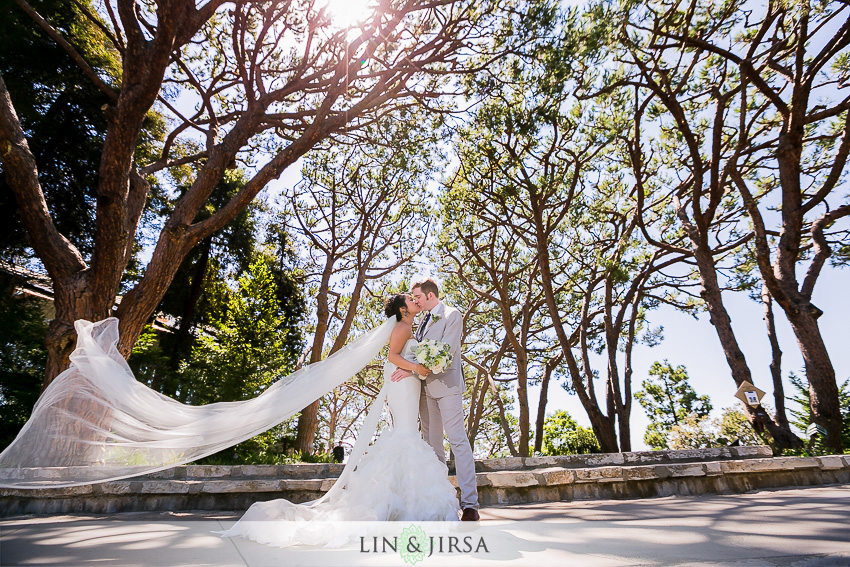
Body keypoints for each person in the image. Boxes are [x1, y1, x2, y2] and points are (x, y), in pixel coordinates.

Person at [219, 293, 461, 547]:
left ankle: (403, 497)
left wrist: (418, 369)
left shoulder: (409, 326)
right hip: (403, 386)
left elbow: (404, 358)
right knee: (406, 433)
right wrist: (416, 369)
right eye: (411, 299)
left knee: (407, 432)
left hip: (408, 383)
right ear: (403, 309)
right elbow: (392, 356)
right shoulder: (402, 326)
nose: (415, 301)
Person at [392, 278, 480, 521]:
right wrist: (412, 370)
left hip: (447, 385)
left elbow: (446, 353)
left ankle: (471, 504)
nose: (415, 301)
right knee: (432, 446)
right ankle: (443, 502)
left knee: (457, 441)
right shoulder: (421, 321)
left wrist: (411, 370)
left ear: (430, 295)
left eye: (417, 297)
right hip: (425, 390)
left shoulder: (452, 315)